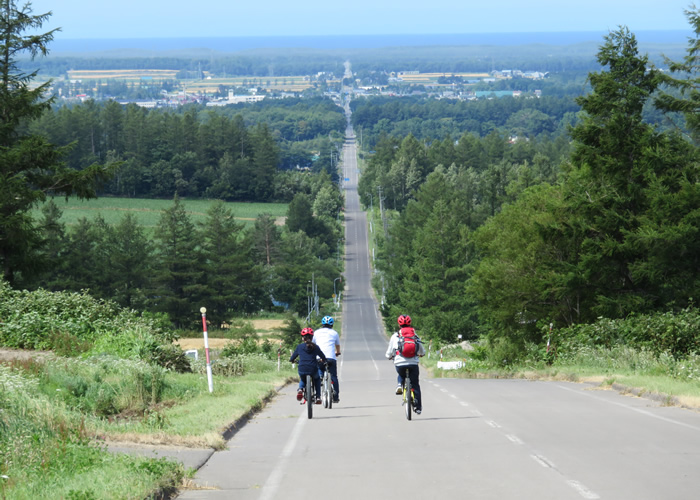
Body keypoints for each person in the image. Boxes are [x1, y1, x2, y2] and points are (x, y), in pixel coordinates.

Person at [385, 314, 425, 414]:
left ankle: (399, 384)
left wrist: (389, 356)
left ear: (399, 325)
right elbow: (422, 351)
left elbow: (389, 352)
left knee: (401, 374)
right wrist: (421, 354)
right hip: (413, 363)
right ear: (410, 323)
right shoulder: (414, 335)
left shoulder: (395, 336)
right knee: (415, 384)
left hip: (399, 363)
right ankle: (418, 408)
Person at [290, 327, 327, 404]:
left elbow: (292, 358)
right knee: (317, 379)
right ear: (312, 337)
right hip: (313, 368)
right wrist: (323, 360)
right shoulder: (315, 347)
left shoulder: (299, 347)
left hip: (302, 368)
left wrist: (293, 360)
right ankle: (318, 397)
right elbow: (323, 357)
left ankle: (300, 389)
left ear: (303, 338)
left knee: (303, 378)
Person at [313, 315, 341, 403]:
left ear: (322, 324)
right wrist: (337, 352)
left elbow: (313, 345)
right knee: (334, 376)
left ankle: (317, 391)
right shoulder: (334, 333)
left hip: (319, 357)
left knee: (318, 372)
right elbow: (337, 346)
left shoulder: (316, 333)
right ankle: (336, 397)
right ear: (332, 325)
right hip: (331, 358)